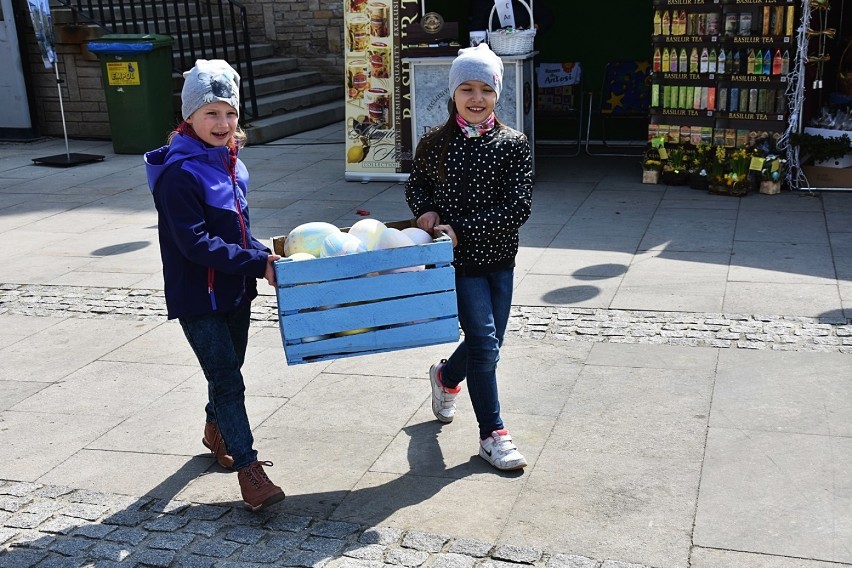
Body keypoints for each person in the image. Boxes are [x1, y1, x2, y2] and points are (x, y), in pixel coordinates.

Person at [144, 59, 285, 512]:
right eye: (211, 114)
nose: (223, 123)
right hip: (196, 298)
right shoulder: (178, 175)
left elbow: (237, 233)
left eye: (230, 113)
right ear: (189, 117)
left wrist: (265, 253)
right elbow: (195, 244)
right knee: (227, 380)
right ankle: (250, 470)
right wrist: (256, 262)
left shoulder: (233, 167)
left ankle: (214, 428)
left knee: (228, 370)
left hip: (234, 291)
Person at [404, 44, 533, 471]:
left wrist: (466, 228)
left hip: (500, 259)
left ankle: (445, 378)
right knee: (483, 343)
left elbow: (518, 209)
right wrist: (425, 211)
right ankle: (492, 434)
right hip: (456, 263)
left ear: (497, 93)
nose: (476, 98)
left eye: (485, 89)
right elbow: (416, 187)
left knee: (490, 345)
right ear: (453, 93)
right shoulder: (435, 143)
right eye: (466, 89)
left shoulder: (514, 144)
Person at [469, 0, 555, 34]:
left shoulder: (524, 1)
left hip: (523, 51)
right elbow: (476, 27)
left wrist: (534, 27)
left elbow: (547, 16)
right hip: (493, 54)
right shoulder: (483, 2)